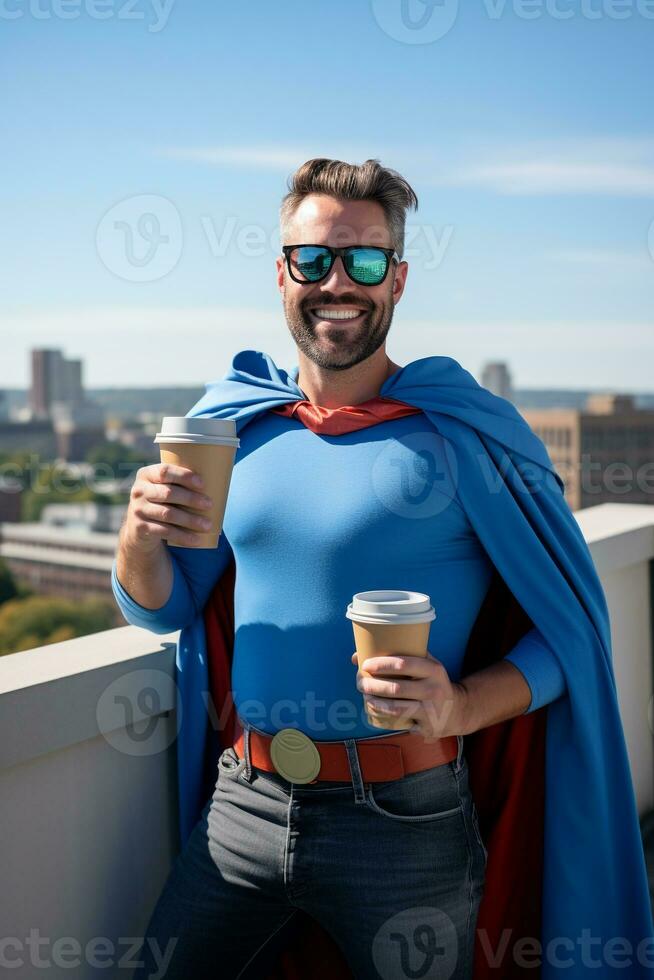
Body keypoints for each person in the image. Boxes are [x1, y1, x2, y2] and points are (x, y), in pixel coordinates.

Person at [113, 159, 653, 979]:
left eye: (365, 261)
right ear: (281, 273)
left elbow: (570, 632)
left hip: (405, 822)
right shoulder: (235, 429)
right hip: (243, 806)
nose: (340, 282)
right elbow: (165, 609)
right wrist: (138, 535)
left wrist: (465, 704)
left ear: (397, 280)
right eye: (315, 259)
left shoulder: (467, 433)